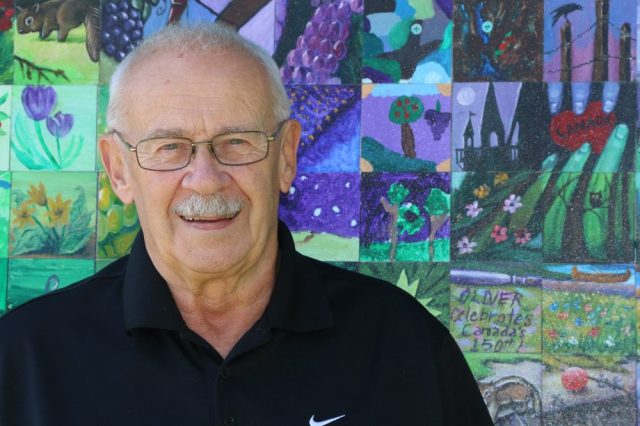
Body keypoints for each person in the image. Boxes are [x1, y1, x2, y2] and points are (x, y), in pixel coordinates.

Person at [0, 24, 493, 425]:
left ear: (286, 157)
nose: (206, 179)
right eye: (168, 147)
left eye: (237, 142)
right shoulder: (23, 360)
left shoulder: (405, 344)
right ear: (119, 170)